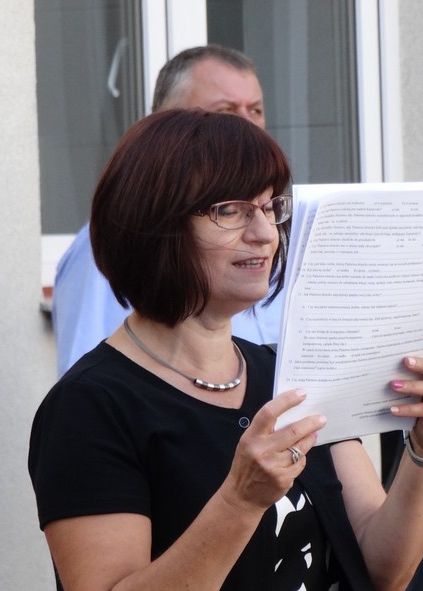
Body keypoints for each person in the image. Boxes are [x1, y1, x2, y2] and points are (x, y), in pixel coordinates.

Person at [29, 109, 423, 591]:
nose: (265, 233)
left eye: (270, 207)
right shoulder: (89, 406)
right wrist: (239, 502)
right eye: (231, 211)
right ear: (154, 224)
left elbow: (385, 573)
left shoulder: (287, 375)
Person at [52, 44, 280, 377]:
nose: (248, 126)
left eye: (256, 110)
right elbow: (91, 377)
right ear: (166, 123)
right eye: (226, 112)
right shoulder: (125, 239)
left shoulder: (269, 231)